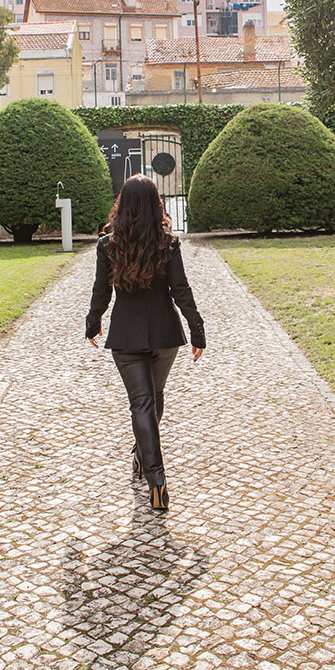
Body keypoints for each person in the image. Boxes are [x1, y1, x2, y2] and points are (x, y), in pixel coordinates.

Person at [86, 174, 205, 511]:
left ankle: (154, 475)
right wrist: (197, 329)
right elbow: (180, 290)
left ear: (122, 205)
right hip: (164, 333)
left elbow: (101, 291)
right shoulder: (167, 242)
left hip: (126, 335)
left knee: (142, 402)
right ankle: (147, 465)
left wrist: (92, 323)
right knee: (153, 398)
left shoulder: (108, 244)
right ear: (156, 205)